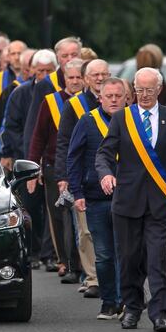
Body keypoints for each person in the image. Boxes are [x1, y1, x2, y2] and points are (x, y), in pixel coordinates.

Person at [96, 67, 166, 332]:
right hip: (127, 201)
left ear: (159, 90)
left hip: (160, 201)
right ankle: (132, 308)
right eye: (139, 90)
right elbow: (105, 153)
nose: (143, 95)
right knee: (129, 259)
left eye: (149, 90)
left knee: (156, 258)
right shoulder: (122, 118)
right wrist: (106, 175)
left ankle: (160, 313)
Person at [67, 77, 126, 319]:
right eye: (108, 96)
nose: (113, 100)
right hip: (95, 197)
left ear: (126, 98)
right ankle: (109, 301)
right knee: (103, 254)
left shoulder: (132, 121)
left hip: (127, 198)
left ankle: (126, 300)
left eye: (118, 96)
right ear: (99, 97)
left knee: (125, 251)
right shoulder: (87, 121)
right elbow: (74, 157)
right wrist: (77, 192)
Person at [54, 59, 111, 296]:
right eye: (94, 75)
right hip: (87, 179)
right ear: (86, 79)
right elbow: (65, 143)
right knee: (87, 231)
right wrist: (64, 176)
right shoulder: (75, 105)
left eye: (103, 74)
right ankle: (93, 279)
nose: (99, 78)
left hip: (116, 179)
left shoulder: (121, 102)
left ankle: (113, 277)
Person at [28, 58, 85, 283]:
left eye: (79, 77)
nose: (75, 81)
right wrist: (34, 168)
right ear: (64, 79)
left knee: (81, 218)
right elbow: (38, 136)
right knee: (60, 216)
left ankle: (82, 262)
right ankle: (66, 261)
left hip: (83, 166)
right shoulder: (51, 101)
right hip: (54, 166)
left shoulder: (90, 101)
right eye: (70, 77)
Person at [0, 50, 58, 270]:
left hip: (51, 158)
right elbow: (11, 126)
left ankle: (50, 254)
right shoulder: (20, 93)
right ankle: (32, 251)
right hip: (26, 158)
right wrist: (15, 151)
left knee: (52, 207)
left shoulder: (58, 95)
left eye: (48, 71)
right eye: (39, 70)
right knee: (31, 206)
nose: (43, 74)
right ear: (31, 70)